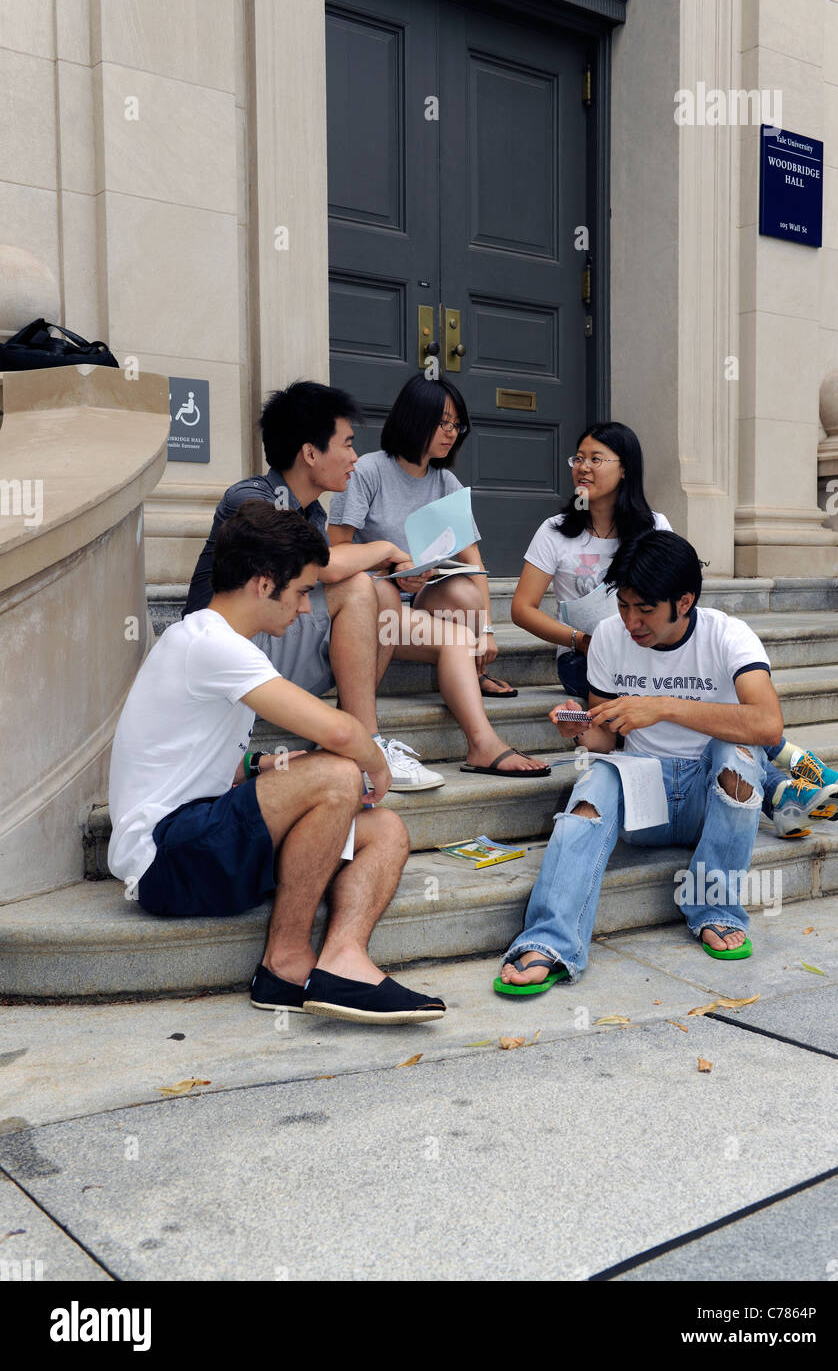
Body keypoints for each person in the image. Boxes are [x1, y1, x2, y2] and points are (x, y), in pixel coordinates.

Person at [108, 501, 446, 1024]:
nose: (307, 609)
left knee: (386, 830)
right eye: (302, 591)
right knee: (337, 770)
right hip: (166, 855)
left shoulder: (217, 643)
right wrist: (374, 763)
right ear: (264, 584)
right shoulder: (211, 643)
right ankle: (285, 963)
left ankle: (341, 961)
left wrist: (266, 764)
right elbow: (339, 730)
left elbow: (198, 757)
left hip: (205, 837)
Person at [511, 421, 838, 837]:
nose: (582, 467)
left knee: (720, 703)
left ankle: (792, 781)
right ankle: (786, 786)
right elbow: (522, 610)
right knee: (719, 714)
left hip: (657, 650)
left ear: (625, 469)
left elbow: (675, 593)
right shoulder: (555, 532)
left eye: (596, 459)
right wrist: (581, 640)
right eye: (578, 458)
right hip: (588, 657)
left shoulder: (653, 525)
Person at [496, 530, 786, 995]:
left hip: (707, 801)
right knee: (594, 785)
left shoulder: (728, 635)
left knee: (739, 756)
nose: (632, 621)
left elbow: (769, 724)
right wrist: (581, 730)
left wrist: (663, 705)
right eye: (624, 605)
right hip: (641, 796)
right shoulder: (610, 637)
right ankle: (549, 941)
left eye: (645, 609)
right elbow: (606, 739)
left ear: (685, 601)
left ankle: (713, 908)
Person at [184, 380, 444, 792]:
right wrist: (388, 548)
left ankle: (354, 732)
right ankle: (367, 744)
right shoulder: (251, 498)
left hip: (274, 646)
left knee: (382, 591)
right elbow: (323, 567)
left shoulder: (312, 513)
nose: (355, 457)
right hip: (230, 655)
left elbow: (326, 569)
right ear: (310, 452)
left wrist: (391, 569)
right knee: (359, 587)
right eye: (347, 443)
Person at [328, 373, 548, 778]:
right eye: (443, 422)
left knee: (465, 596)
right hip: (373, 608)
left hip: (418, 601)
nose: (451, 433)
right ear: (415, 418)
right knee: (456, 638)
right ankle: (482, 740)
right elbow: (335, 550)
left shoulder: (445, 481)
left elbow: (474, 558)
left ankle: (478, 714)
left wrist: (488, 632)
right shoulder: (367, 472)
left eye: (456, 424)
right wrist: (392, 568)